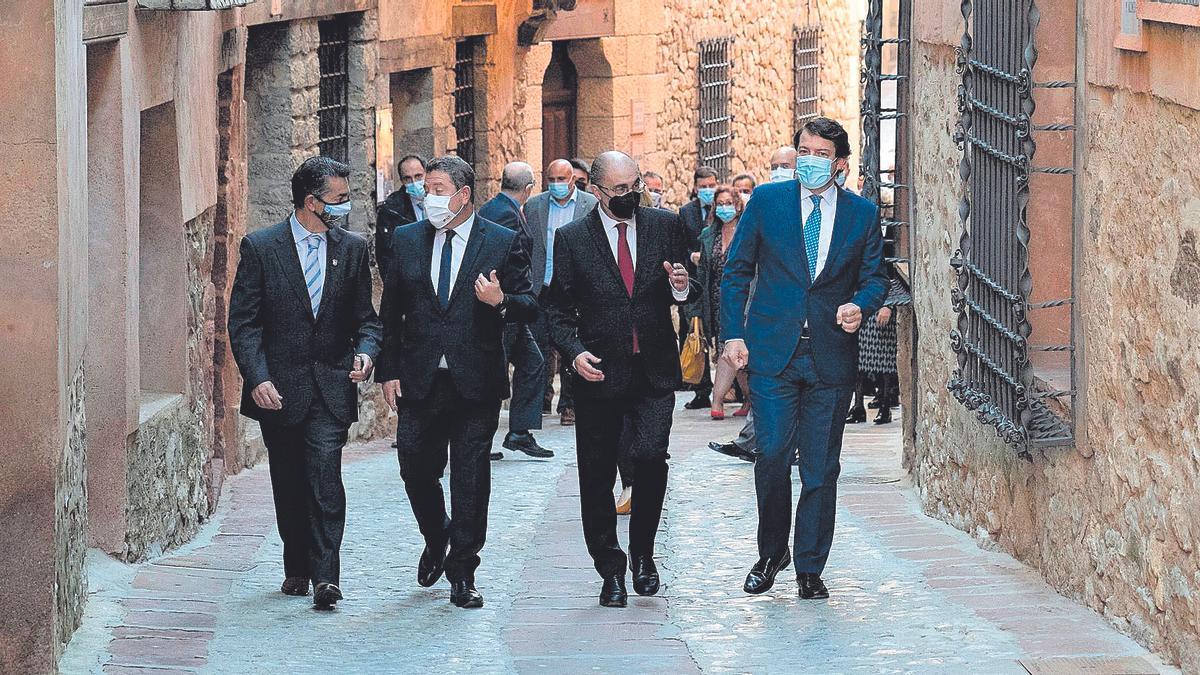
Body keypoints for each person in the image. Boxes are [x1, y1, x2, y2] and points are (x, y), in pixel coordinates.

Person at [721, 117, 888, 601]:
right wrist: (733, 333)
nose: (809, 161)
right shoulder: (769, 203)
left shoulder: (861, 214)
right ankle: (772, 552)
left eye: (819, 154)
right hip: (773, 353)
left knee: (820, 468)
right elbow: (737, 272)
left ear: (839, 164)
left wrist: (862, 303)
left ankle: (810, 566)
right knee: (770, 454)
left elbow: (876, 276)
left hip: (830, 357)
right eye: (803, 151)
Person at [377, 155, 537, 609]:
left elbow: (530, 305)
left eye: (438, 189)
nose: (429, 198)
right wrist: (389, 370)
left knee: (470, 477)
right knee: (414, 467)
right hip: (420, 379)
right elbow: (391, 314)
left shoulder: (501, 241)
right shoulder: (407, 240)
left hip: (475, 381)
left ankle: (463, 570)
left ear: (464, 195)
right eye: (426, 189)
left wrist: (500, 299)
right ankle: (437, 535)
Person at [227, 156, 383, 611]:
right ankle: (296, 563)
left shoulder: (352, 249)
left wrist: (367, 354)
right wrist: (257, 377)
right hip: (280, 390)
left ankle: (326, 577)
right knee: (290, 482)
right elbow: (245, 323)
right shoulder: (261, 247)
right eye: (338, 199)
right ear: (312, 202)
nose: (345, 207)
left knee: (326, 478)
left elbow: (367, 320)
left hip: (332, 387)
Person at [546, 151, 696, 608]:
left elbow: (693, 287)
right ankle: (609, 569)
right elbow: (556, 310)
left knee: (651, 459)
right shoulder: (572, 239)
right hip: (598, 373)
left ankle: (643, 556)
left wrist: (681, 286)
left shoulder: (663, 225)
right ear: (595, 191)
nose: (632, 195)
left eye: (636, 185)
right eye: (620, 189)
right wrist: (573, 354)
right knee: (596, 474)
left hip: (652, 370)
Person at [478, 161, 554, 460]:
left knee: (533, 362)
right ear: (529, 188)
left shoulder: (497, 208)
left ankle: (520, 432)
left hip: (513, 308)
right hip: (503, 307)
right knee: (494, 373)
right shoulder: (502, 215)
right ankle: (480, 440)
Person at [527, 158, 600, 427]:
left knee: (572, 345)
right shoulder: (534, 206)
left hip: (575, 289)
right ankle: (539, 402)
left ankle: (570, 404)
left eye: (562, 179)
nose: (557, 184)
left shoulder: (590, 205)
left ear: (573, 180)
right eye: (552, 179)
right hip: (542, 286)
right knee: (538, 346)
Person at [696, 186, 750, 421]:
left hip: (742, 302)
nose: (725, 208)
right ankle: (735, 399)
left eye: (730, 202)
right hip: (715, 302)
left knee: (737, 352)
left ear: (738, 205)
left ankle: (725, 399)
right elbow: (702, 274)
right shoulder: (709, 235)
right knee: (724, 351)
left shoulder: (747, 231)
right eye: (721, 203)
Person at [678, 166, 719, 410]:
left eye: (711, 185)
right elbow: (679, 243)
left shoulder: (725, 207)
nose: (707, 190)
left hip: (717, 281)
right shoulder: (686, 212)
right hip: (695, 282)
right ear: (695, 188)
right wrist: (690, 256)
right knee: (693, 333)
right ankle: (700, 387)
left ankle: (731, 388)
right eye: (702, 187)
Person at [376, 154, 428, 279]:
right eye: (407, 179)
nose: (414, 182)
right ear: (402, 181)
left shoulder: (442, 199)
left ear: (427, 174)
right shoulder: (391, 210)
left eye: (418, 176)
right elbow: (385, 254)